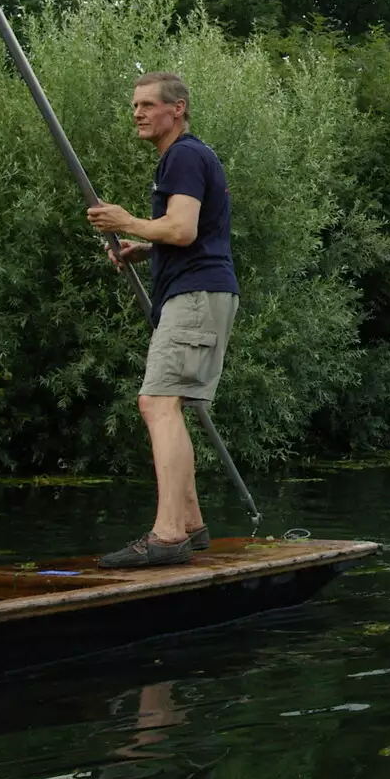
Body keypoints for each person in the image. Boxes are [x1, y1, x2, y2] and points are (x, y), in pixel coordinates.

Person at [87, 72, 240, 568]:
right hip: (197, 291)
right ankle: (190, 525)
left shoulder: (184, 156)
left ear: (177, 109)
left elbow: (183, 227)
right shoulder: (186, 157)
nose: (137, 113)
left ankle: (168, 533)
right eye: (134, 105)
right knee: (166, 405)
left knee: (157, 403)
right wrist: (144, 248)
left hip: (195, 295)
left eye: (148, 105)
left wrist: (126, 221)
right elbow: (189, 233)